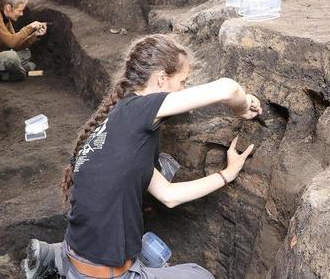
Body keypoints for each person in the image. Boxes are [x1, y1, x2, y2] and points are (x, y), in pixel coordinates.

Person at [22, 34, 262, 279]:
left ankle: (55, 258)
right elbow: (228, 88)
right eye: (182, 81)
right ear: (160, 79)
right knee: (201, 276)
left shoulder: (120, 118)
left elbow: (169, 195)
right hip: (102, 273)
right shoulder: (141, 110)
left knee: (149, 247)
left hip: (76, 251)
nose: (183, 89)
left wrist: (227, 174)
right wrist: (243, 107)